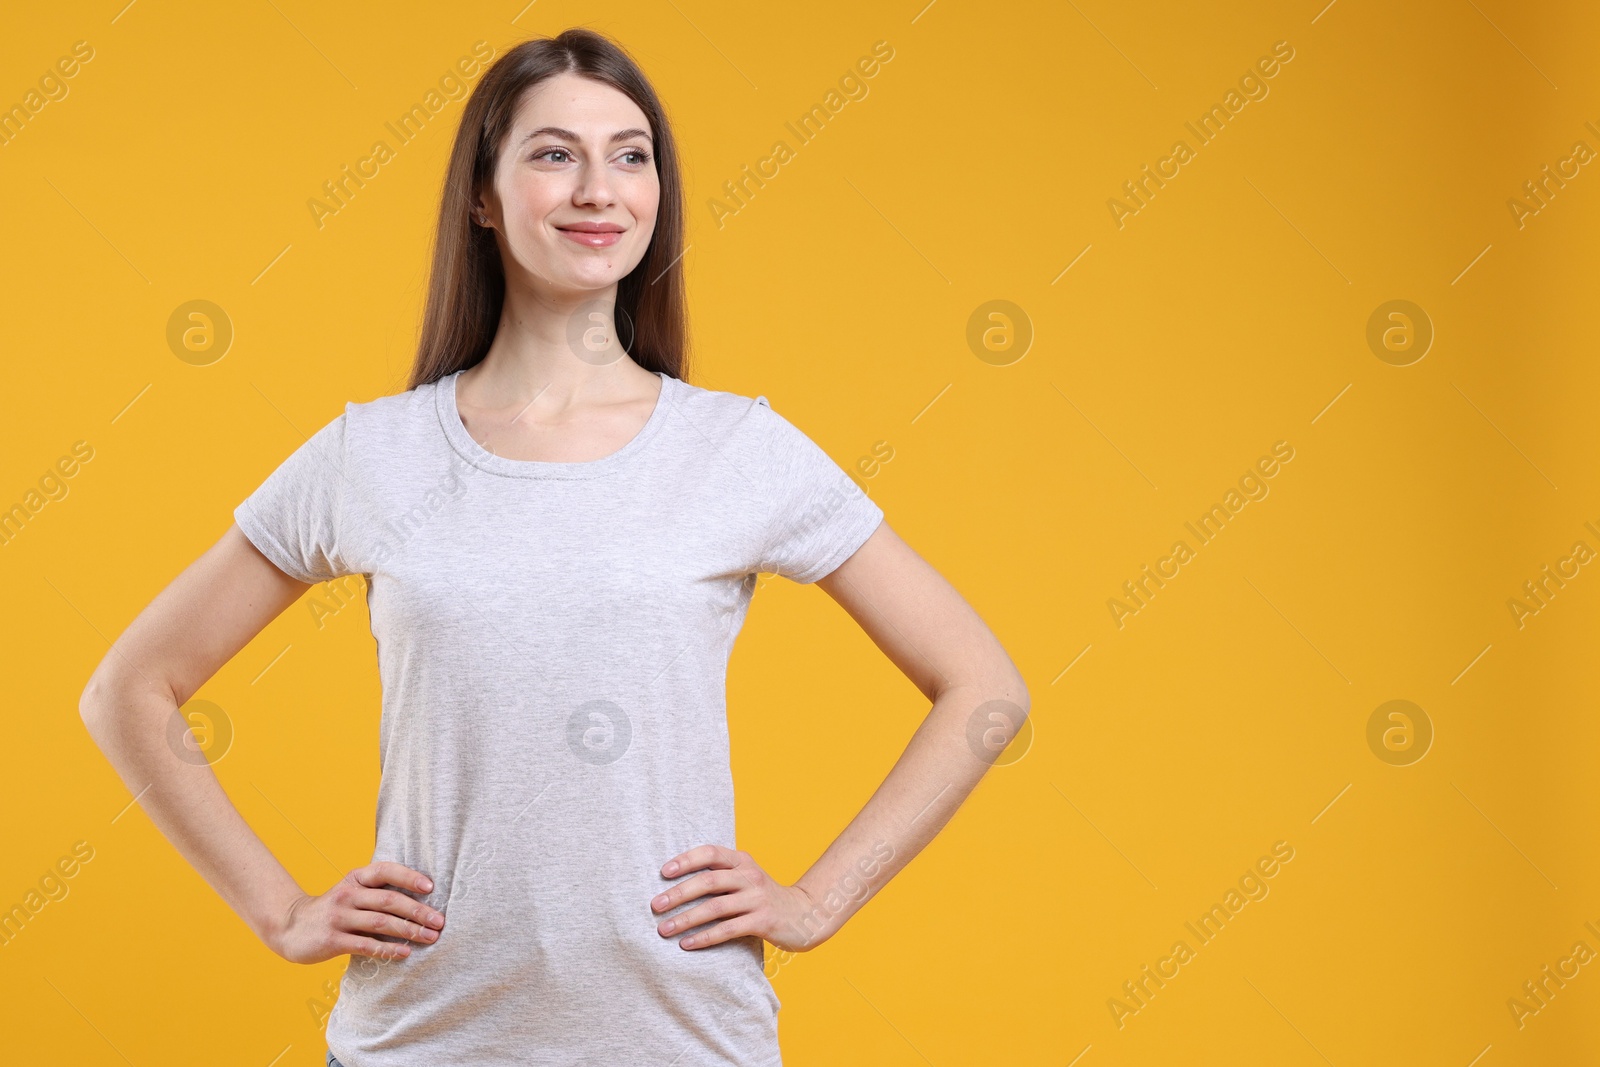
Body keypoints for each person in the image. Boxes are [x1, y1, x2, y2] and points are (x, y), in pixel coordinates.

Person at [78, 28, 1030, 1067]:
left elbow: (983, 685)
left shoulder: (735, 448)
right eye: (552, 153)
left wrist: (815, 899)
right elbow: (129, 687)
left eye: (630, 155)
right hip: (420, 1040)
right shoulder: (375, 453)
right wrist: (283, 912)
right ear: (481, 195)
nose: (598, 188)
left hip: (685, 1038)